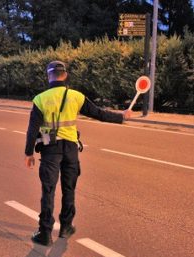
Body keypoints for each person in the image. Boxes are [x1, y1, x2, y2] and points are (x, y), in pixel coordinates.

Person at [24, 60, 132, 246]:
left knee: (48, 190)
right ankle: (66, 227)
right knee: (69, 189)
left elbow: (32, 130)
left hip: (50, 150)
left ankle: (45, 233)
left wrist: (29, 153)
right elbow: (98, 113)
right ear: (65, 75)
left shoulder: (40, 99)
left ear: (49, 76)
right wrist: (121, 117)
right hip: (71, 150)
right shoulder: (76, 96)